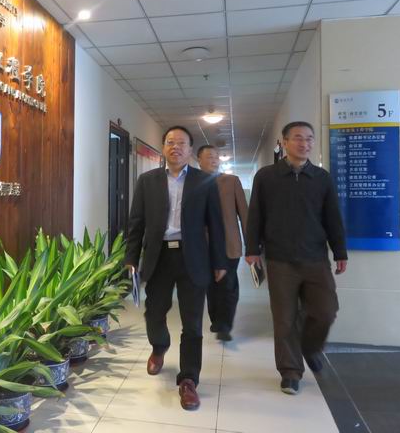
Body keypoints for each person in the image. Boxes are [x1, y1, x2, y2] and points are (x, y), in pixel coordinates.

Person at [125, 126, 228, 411]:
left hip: (193, 258)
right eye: (170, 142)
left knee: (192, 322)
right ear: (163, 148)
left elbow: (216, 223)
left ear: (190, 150)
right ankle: (159, 346)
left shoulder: (204, 181)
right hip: (158, 257)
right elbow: (136, 224)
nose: (176, 147)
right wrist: (131, 259)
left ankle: (188, 380)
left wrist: (220, 261)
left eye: (182, 143)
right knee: (154, 313)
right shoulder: (147, 181)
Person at [245, 121, 348, 395]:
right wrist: (252, 249)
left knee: (326, 310)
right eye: (298, 138)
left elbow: (333, 217)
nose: (305, 143)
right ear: (285, 142)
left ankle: (310, 347)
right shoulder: (267, 177)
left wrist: (340, 251)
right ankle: (290, 372)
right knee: (284, 318)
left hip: (315, 258)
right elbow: (255, 215)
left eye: (309, 139)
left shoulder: (322, 178)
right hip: (280, 259)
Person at [197, 145, 248, 342]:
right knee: (211, 285)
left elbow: (244, 213)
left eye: (216, 157)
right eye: (209, 156)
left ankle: (225, 324)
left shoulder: (231, 181)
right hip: (203, 245)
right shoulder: (193, 183)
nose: (214, 160)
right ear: (199, 160)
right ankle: (217, 321)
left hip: (229, 243)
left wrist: (252, 244)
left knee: (228, 284)